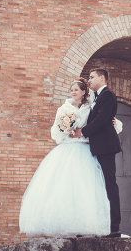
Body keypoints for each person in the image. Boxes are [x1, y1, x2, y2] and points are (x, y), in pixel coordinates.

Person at [18, 79, 111, 236]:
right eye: (71, 90)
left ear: (83, 92)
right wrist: (64, 131)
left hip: (84, 149)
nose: (73, 92)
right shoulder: (63, 109)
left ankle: (85, 225)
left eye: (76, 90)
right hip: (67, 149)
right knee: (64, 186)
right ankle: (64, 225)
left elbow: (99, 124)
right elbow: (55, 130)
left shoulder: (91, 108)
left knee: (85, 187)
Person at [72, 68, 123, 237]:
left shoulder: (107, 95)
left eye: (92, 77)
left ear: (102, 78)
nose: (90, 80)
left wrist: (83, 132)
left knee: (109, 184)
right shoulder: (97, 97)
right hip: (97, 147)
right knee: (101, 185)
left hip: (106, 146)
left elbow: (102, 119)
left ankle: (114, 226)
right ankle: (103, 223)